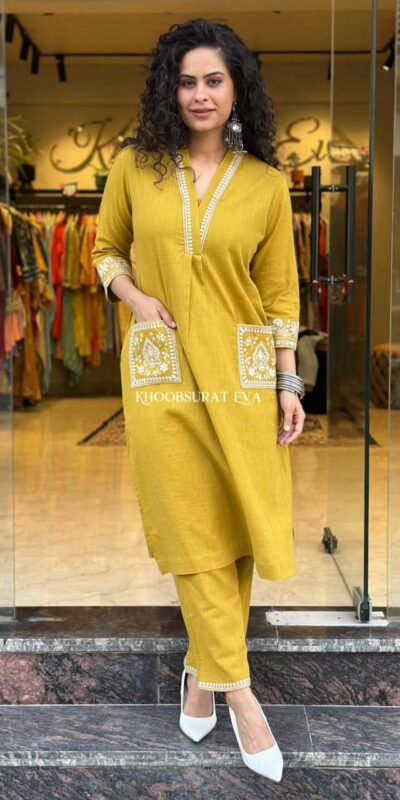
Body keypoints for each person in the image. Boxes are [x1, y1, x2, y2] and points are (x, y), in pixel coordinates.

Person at [92, 17, 305, 783]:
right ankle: (242, 696)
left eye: (214, 79)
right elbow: (105, 250)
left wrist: (287, 380)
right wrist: (135, 298)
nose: (200, 94)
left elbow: (280, 294)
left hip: (242, 379)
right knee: (189, 529)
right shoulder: (133, 167)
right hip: (163, 377)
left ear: (237, 88)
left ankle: (201, 672)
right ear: (168, 91)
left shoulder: (267, 186)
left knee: (234, 529)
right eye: (186, 82)